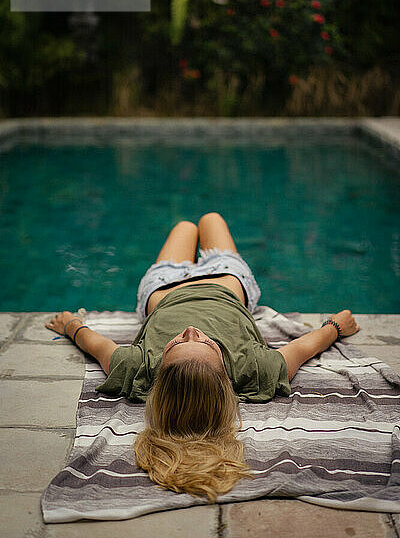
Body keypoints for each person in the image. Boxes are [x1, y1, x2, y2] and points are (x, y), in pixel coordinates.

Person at [45, 212, 360, 502]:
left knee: (184, 227)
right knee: (211, 219)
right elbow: (305, 347)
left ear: (161, 375)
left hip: (164, 284)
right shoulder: (255, 370)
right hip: (227, 278)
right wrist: (335, 326)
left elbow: (94, 342)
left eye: (177, 342)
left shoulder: (137, 368)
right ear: (224, 376)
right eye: (207, 344)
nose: (192, 330)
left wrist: (71, 325)